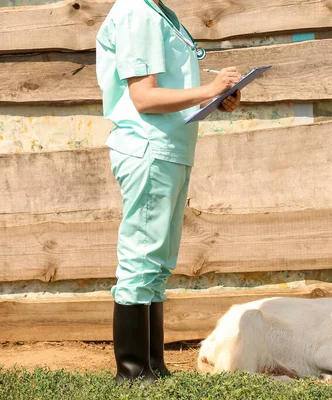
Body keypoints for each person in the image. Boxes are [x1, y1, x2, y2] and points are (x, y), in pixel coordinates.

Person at [96, 0, 241, 382]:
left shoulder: (158, 11)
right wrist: (209, 87)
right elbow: (144, 97)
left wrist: (213, 98)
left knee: (157, 264)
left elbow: (173, 89)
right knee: (140, 260)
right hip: (149, 148)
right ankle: (131, 373)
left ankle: (153, 368)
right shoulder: (136, 12)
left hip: (171, 148)